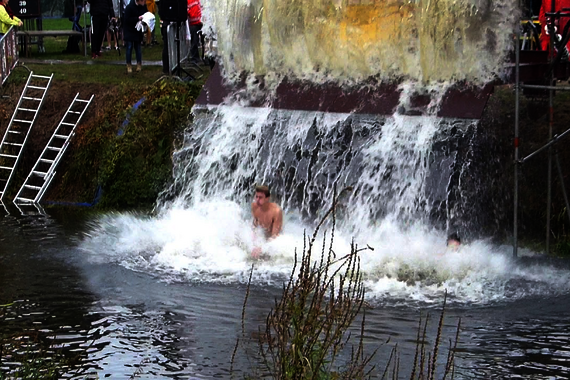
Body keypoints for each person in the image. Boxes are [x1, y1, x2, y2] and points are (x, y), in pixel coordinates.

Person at [251, 185, 283, 259]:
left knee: (268, 257)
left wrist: (262, 248)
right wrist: (254, 243)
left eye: (260, 197)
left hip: (273, 240)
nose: (257, 200)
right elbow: (254, 226)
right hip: (263, 236)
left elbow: (274, 237)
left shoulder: (276, 211)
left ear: (267, 198)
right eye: (256, 197)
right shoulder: (254, 206)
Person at [123, 0, 147, 74]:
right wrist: (137, 18)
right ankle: (128, 64)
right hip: (129, 30)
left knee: (138, 48)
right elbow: (126, 20)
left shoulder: (143, 7)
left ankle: (139, 63)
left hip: (138, 31)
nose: (144, 2)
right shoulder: (129, 7)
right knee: (129, 47)